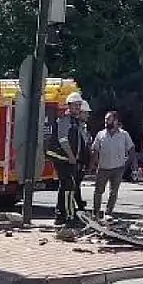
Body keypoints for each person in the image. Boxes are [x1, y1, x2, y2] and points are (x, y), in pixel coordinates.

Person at [47, 92, 90, 227]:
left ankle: (62, 215)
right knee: (68, 186)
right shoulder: (65, 120)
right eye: (75, 105)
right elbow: (63, 139)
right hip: (62, 158)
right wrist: (71, 156)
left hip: (68, 159)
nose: (78, 108)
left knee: (67, 186)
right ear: (69, 106)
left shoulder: (74, 122)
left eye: (79, 105)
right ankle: (68, 216)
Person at [90, 111, 136, 219]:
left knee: (113, 192)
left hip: (118, 168)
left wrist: (130, 164)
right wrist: (92, 164)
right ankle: (95, 213)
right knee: (98, 191)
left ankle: (108, 213)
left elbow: (131, 149)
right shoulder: (100, 134)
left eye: (109, 119)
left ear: (115, 121)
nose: (106, 121)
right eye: (106, 119)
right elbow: (95, 149)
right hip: (103, 168)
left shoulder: (124, 134)